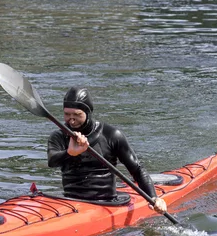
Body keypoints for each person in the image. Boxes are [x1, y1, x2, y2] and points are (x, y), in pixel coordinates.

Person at [47, 86, 167, 214]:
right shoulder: (59, 136)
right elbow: (52, 161)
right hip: (71, 202)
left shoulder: (111, 135)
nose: (71, 119)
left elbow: (137, 169)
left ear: (88, 113)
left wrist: (153, 197)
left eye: (77, 114)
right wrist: (70, 153)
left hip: (106, 202)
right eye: (66, 114)